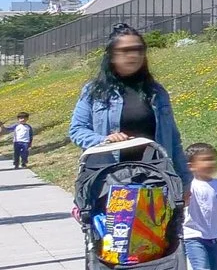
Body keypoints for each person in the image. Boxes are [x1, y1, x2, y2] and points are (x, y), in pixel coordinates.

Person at [68, 26, 186, 180]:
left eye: (139, 49)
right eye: (125, 50)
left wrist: (184, 179)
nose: (133, 55)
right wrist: (104, 139)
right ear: (111, 56)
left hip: (155, 178)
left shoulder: (156, 92)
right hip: (109, 179)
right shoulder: (94, 91)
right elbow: (77, 130)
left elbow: (173, 140)